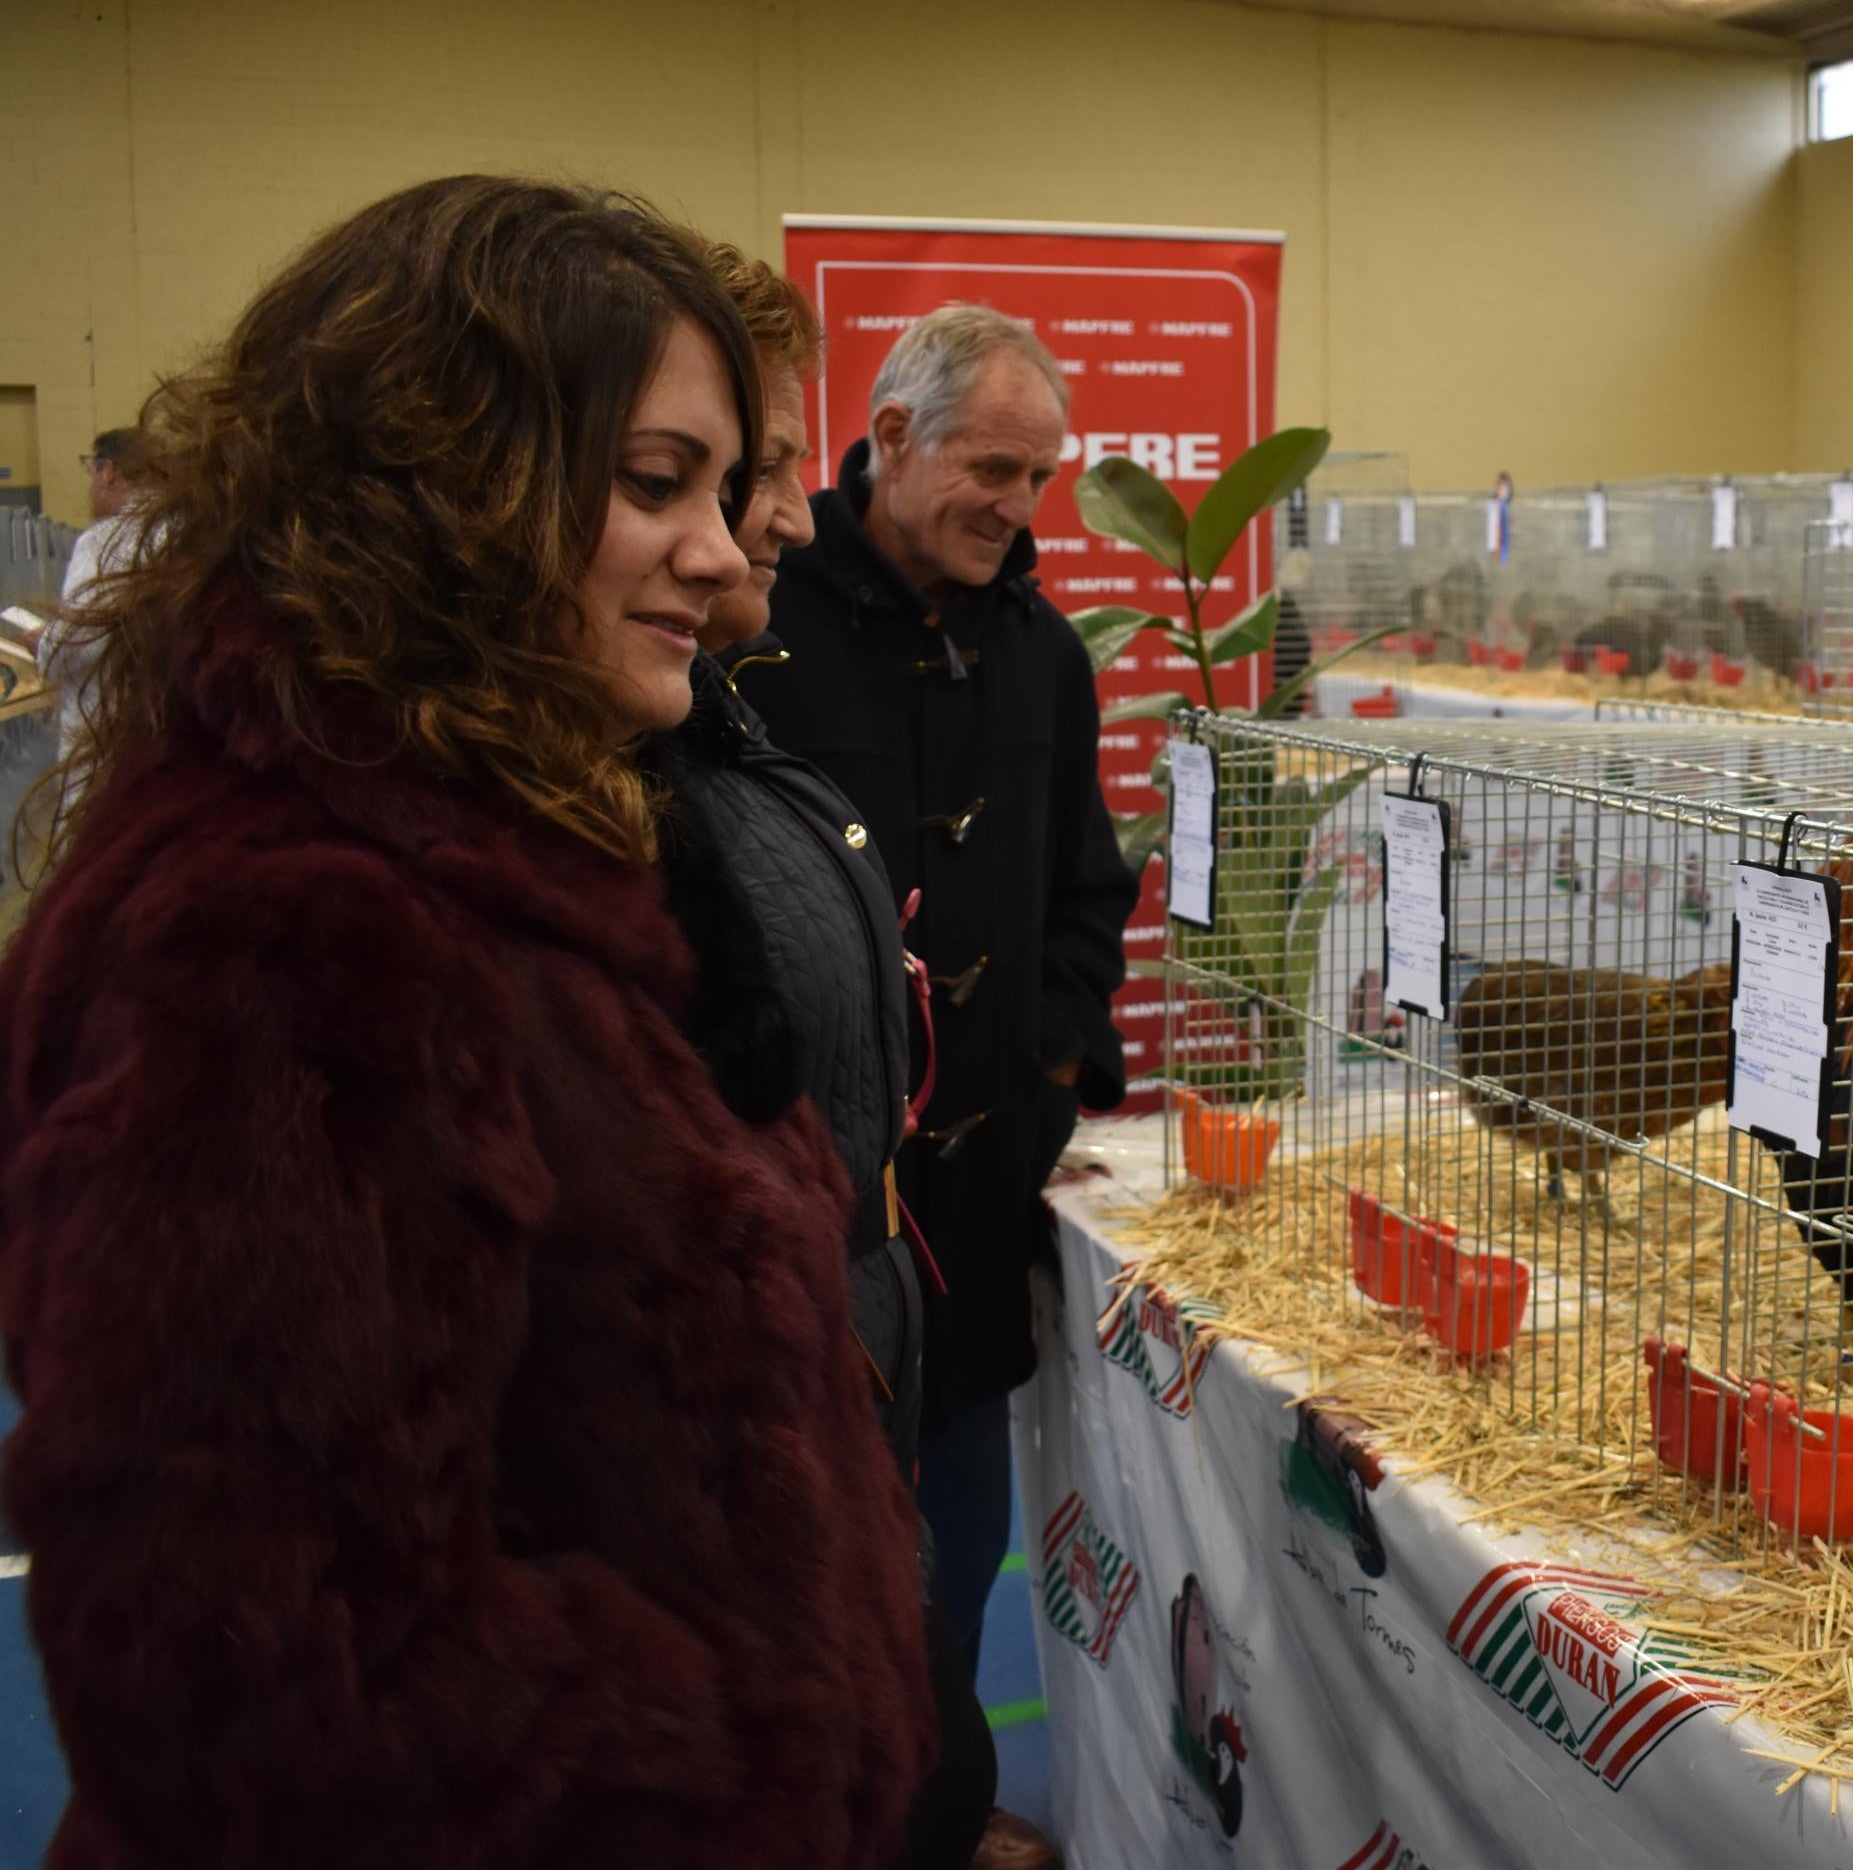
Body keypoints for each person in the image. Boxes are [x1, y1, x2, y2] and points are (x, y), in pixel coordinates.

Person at [0, 175, 933, 1867]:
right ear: (449, 485)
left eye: (724, 489)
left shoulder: (525, 839)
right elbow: (244, 1665)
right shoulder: (289, 931)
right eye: (657, 485)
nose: (724, 554)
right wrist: (742, 1760)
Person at [751, 302, 1136, 1870]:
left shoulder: (1042, 650)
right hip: (797, 1210)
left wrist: (1046, 1063)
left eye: (1041, 479)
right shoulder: (755, 618)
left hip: (972, 1208)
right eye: (993, 467)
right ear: (891, 438)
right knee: (794, 1558)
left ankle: (937, 1815)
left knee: (958, 1550)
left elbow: (1084, 891)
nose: (1018, 507)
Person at [653, 242, 998, 1870]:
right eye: (693, 477)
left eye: (756, 474)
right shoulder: (617, 766)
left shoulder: (700, 723)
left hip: (855, 1337)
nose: (759, 520)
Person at [46, 426, 146, 755]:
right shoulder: (182, 530)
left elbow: (78, 637)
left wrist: (43, 643)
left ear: (109, 473)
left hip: (100, 726)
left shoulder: (103, 541)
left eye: (90, 469)